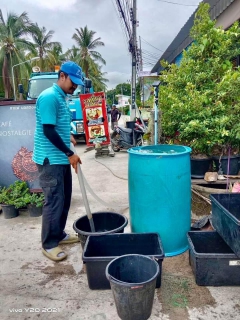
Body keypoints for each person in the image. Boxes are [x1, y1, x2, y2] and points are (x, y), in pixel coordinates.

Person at [32, 61, 83, 262]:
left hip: (60, 158)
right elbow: (48, 130)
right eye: (73, 81)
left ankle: (59, 234)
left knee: (64, 199)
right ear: (62, 75)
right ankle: (49, 243)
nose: (75, 86)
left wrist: (69, 134)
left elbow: (58, 124)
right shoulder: (49, 97)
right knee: (54, 201)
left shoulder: (62, 97)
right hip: (50, 158)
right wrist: (69, 153)